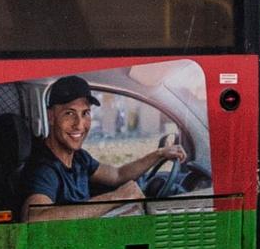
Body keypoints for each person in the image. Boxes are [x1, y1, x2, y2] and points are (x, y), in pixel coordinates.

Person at [17, 75, 185, 223]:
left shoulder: (79, 158)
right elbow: (35, 218)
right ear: (51, 117)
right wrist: (116, 197)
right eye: (69, 113)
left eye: (85, 113)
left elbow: (117, 175)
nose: (79, 125)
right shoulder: (42, 168)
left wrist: (160, 154)